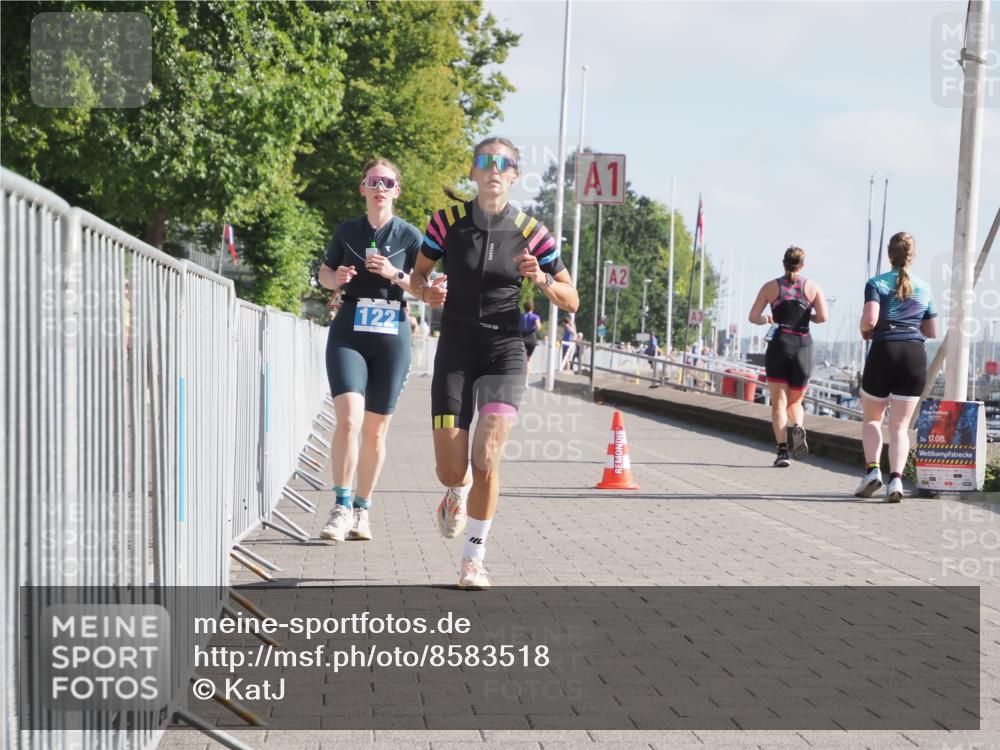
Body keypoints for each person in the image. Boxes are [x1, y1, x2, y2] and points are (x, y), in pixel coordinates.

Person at [410, 136, 579, 589]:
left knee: (486, 457)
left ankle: (473, 559)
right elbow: (417, 276)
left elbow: (572, 299)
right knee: (452, 468)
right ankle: (455, 490)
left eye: (503, 164)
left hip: (505, 351)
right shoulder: (446, 222)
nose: (493, 170)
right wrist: (426, 292)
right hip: (456, 350)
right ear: (473, 171)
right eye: (485, 161)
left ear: (514, 176)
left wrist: (541, 278)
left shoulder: (532, 231)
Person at [317, 158, 426, 542]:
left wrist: (394, 274)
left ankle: (363, 511)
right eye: (374, 181)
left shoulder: (410, 236)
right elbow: (324, 273)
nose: (381, 188)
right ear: (362, 188)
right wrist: (336, 277)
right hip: (349, 331)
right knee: (349, 420)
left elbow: (424, 287)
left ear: (397, 191)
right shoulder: (348, 230)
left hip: (391, 335)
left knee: (376, 433)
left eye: (388, 182)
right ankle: (341, 507)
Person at [855, 232, 937, 502]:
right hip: (913, 355)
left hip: (884, 351)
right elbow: (931, 330)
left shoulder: (876, 283)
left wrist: (865, 329)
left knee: (872, 419)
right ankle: (897, 481)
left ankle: (872, 471)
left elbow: (870, 320)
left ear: (890, 254)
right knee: (900, 427)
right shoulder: (924, 287)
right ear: (912, 256)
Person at [748, 246, 828, 467]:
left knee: (778, 403)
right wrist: (807, 316)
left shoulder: (770, 287)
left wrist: (768, 319)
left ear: (783, 263)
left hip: (779, 346)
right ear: (802, 265)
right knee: (796, 402)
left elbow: (753, 317)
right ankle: (798, 425)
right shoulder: (812, 287)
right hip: (803, 346)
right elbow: (823, 317)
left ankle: (782, 452)